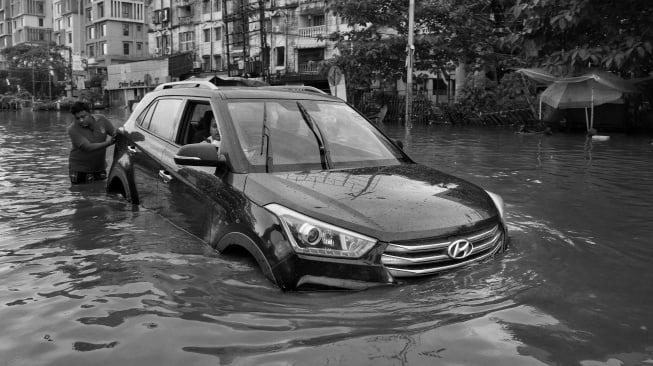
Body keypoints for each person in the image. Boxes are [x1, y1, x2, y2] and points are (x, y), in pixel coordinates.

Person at [67, 101, 116, 184]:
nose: (81, 120)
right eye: (77, 118)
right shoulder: (72, 129)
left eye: (83, 116)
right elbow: (88, 147)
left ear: (90, 113)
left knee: (101, 193)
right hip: (80, 170)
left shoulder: (102, 120)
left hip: (99, 168)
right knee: (81, 194)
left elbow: (115, 133)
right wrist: (110, 143)